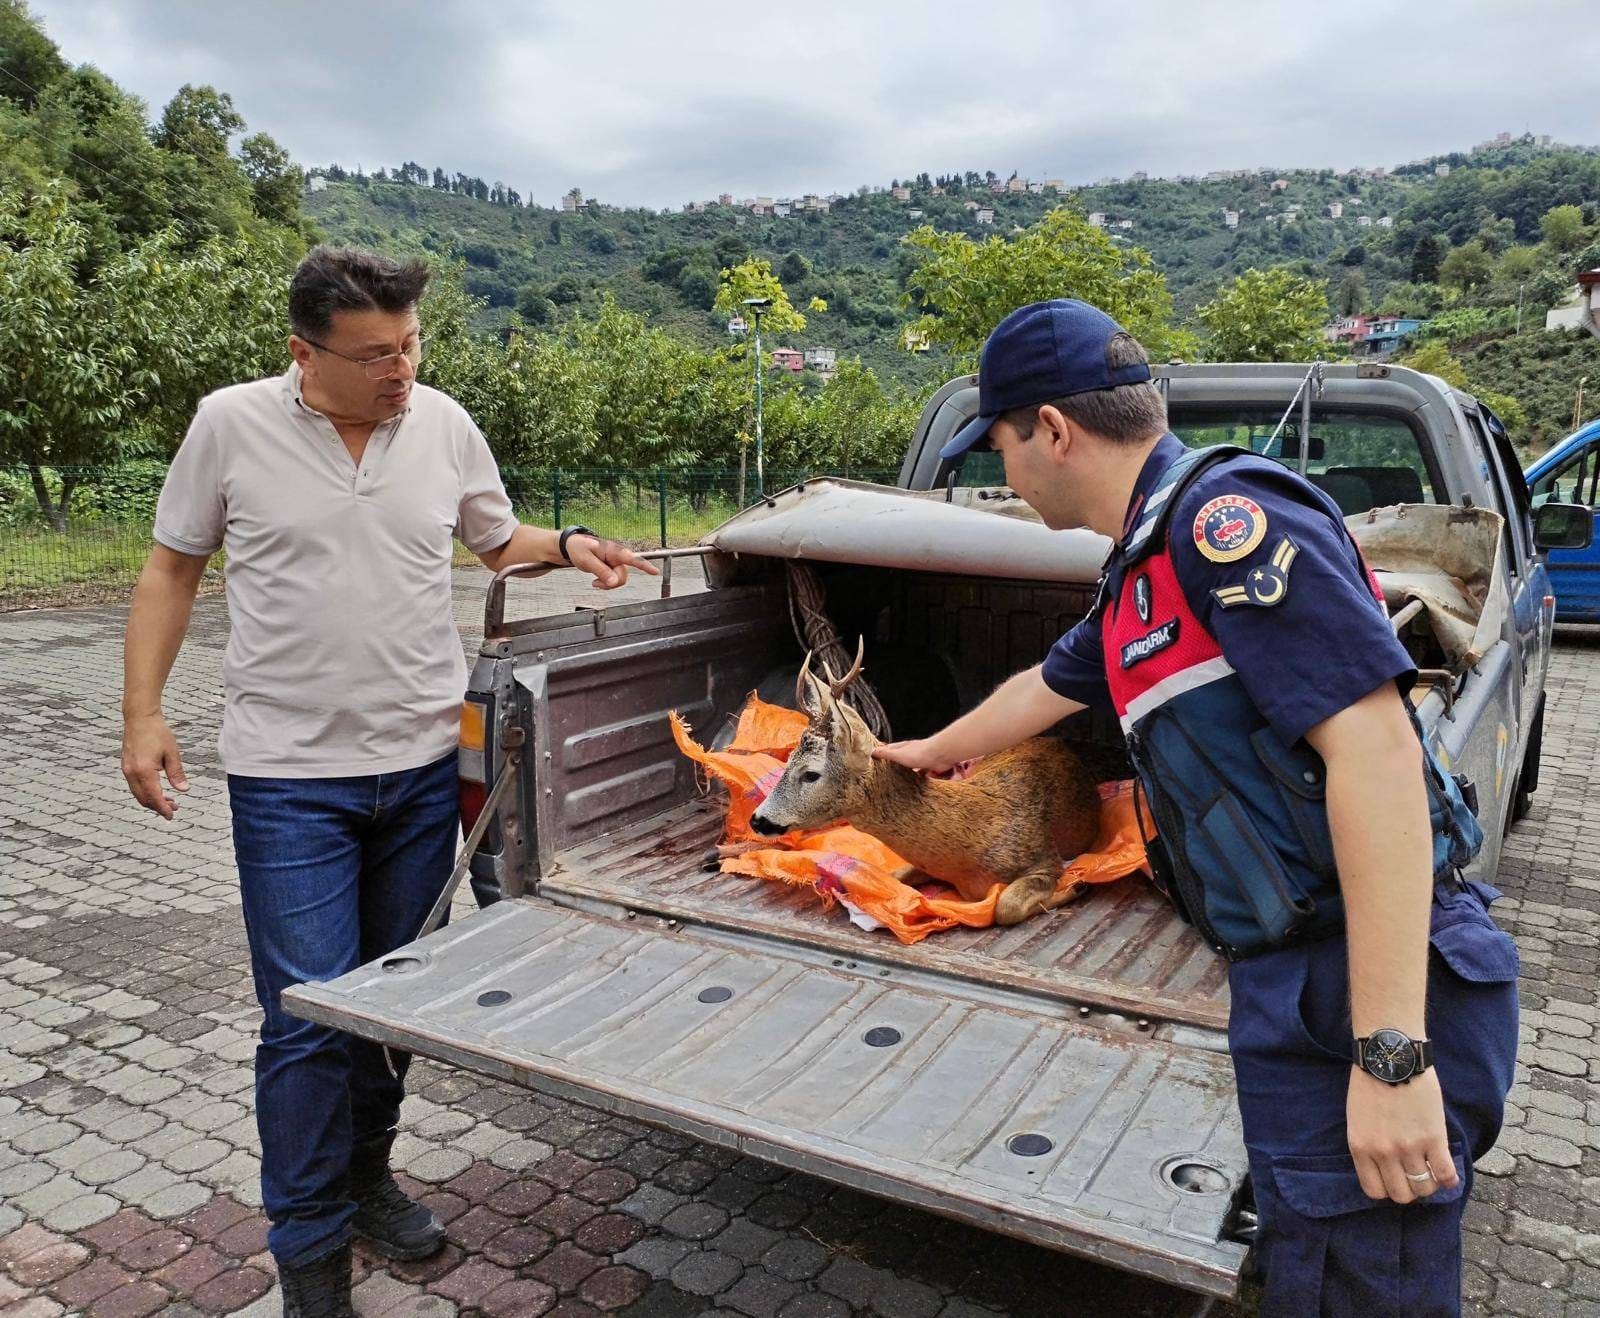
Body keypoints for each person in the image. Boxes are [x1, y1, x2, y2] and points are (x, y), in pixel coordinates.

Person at [876, 300, 1519, 1317]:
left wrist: (1391, 1055)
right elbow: (1044, 688)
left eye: (997, 443)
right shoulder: (1145, 565)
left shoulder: (1227, 526)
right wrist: (914, 754)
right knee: (1310, 1264)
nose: (998, 471)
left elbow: (1379, 757)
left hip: (1362, 979)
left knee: (1362, 1286)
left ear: (1052, 429)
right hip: (1293, 979)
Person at [120, 245, 655, 1317]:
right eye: (372, 354)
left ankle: (367, 1182)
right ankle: (310, 1261)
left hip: (424, 768)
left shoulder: (444, 424)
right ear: (302, 354)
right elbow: (171, 566)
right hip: (289, 779)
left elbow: (497, 540)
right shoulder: (231, 424)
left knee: (391, 1010)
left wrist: (575, 542)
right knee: (308, 1021)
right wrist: (142, 712)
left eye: (409, 344)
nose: (398, 369)